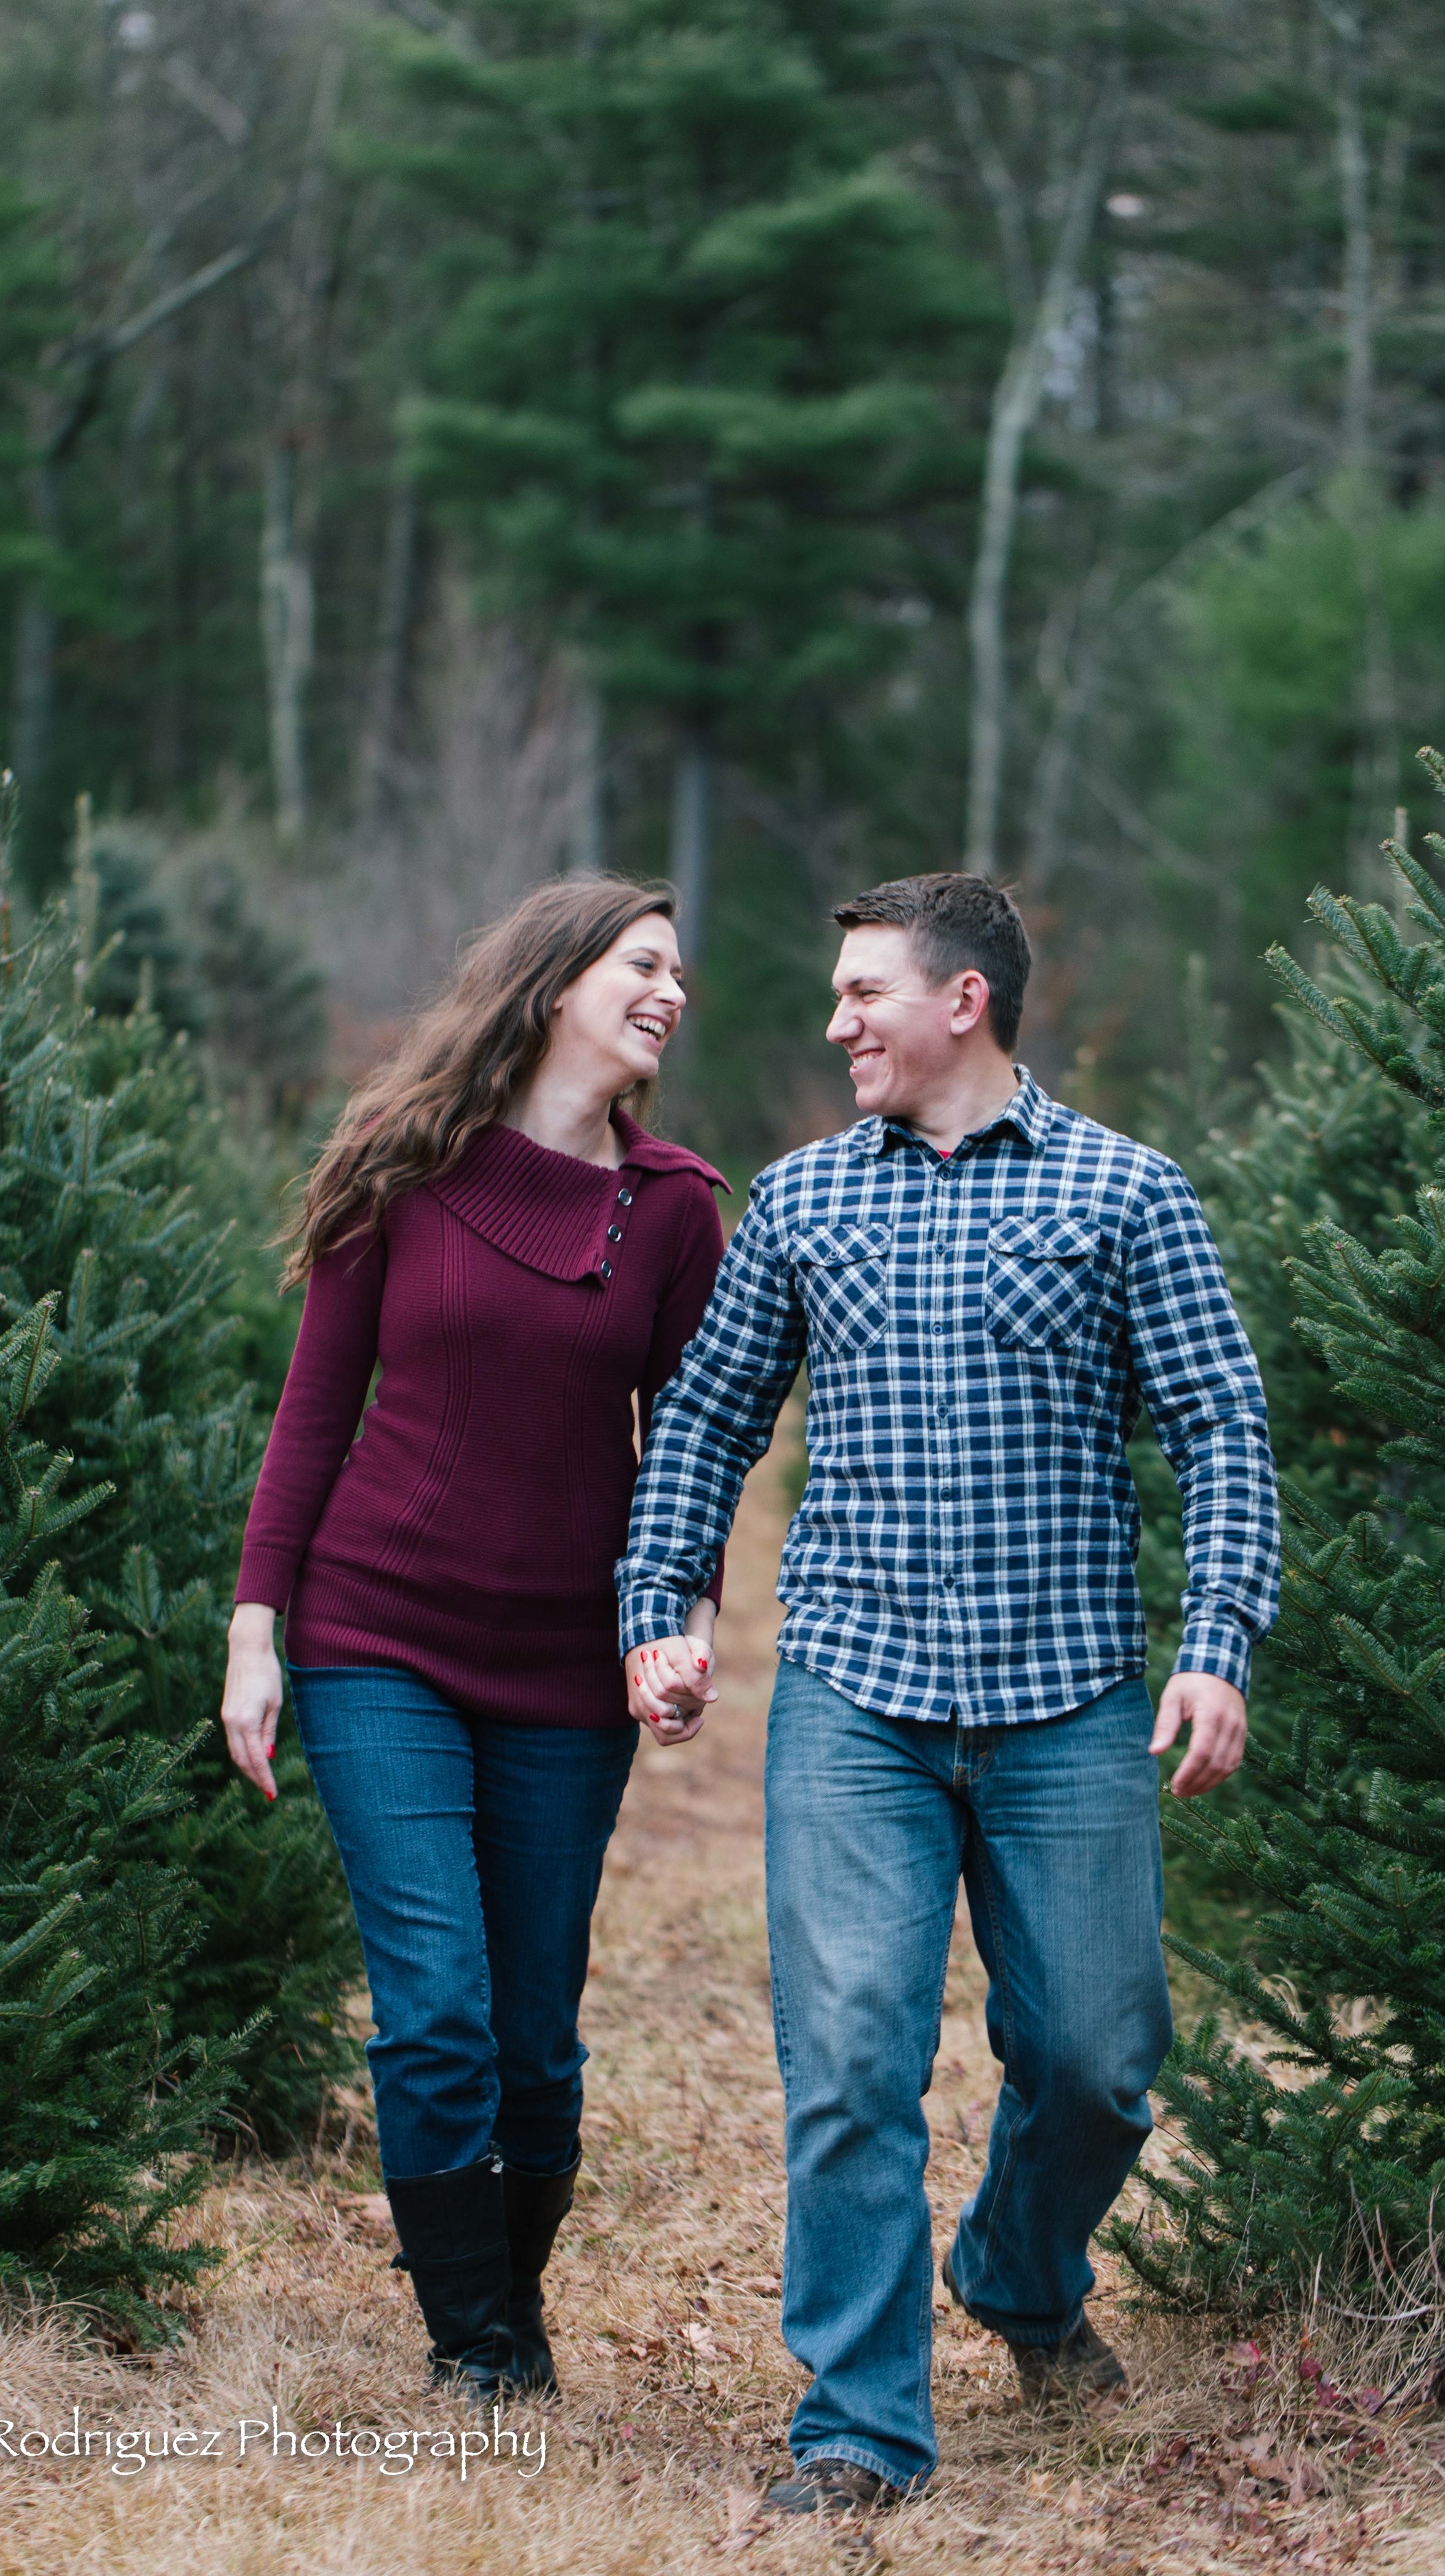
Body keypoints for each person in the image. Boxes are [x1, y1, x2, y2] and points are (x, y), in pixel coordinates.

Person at [616, 872, 1279, 2513]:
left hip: (1064, 1705)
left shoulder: (1126, 1196)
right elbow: (704, 1421)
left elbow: (1219, 1430)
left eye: (862, 994)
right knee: (851, 2059)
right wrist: (659, 1609)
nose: (833, 1022)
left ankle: (1018, 2270)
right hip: (855, 1701)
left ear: (961, 1001)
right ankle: (856, 2430)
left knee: (1097, 2060)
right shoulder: (801, 1204)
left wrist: (1214, 1644)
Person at [219, 878, 727, 2404]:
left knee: (533, 2042)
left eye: (681, 971)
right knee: (433, 2004)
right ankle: (475, 2352)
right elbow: (314, 1414)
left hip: (567, 1670)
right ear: (555, 978)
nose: (671, 990)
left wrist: (681, 1628)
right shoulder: (405, 1164)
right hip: (377, 1639)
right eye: (643, 963)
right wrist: (258, 1632)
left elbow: (693, 1453)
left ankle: (509, 2300)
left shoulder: (677, 1208)